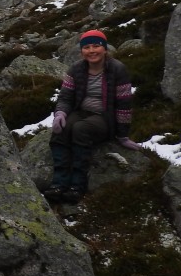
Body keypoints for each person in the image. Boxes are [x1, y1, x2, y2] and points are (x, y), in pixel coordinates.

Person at [43, 29, 138, 204]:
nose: (92, 51)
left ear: (105, 49)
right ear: (81, 51)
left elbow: (124, 104)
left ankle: (77, 186)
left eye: (96, 46)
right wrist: (60, 114)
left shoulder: (118, 69)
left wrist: (123, 135)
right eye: (86, 47)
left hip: (104, 117)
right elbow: (65, 96)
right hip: (80, 112)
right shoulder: (76, 69)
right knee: (61, 130)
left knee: (81, 129)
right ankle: (58, 184)